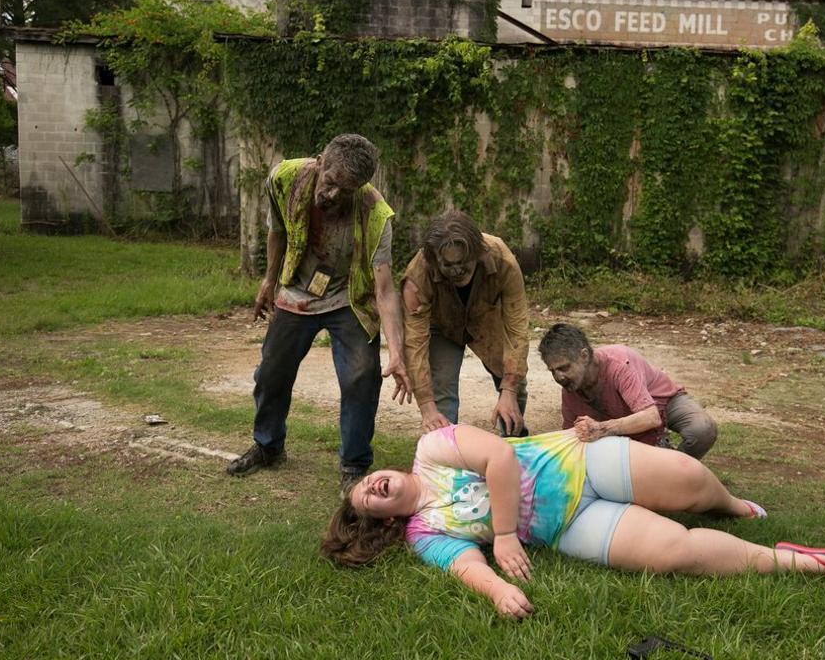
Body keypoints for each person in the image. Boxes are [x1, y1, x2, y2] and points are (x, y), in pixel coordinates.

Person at [321, 425, 825, 619]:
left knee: (690, 480)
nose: (372, 488)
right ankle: (794, 561)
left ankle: (730, 504)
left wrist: (503, 535)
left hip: (575, 460)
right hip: (569, 525)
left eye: (367, 482)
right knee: (674, 552)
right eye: (368, 502)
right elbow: (464, 564)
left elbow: (499, 460)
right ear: (386, 522)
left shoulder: (432, 450)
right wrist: (497, 592)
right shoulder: (423, 533)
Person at [227, 134, 411, 484]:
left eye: (346, 190)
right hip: (298, 289)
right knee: (272, 372)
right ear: (320, 160)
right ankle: (268, 446)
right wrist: (269, 280)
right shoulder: (284, 178)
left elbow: (385, 290)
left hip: (349, 298)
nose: (333, 195)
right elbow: (277, 230)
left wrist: (397, 353)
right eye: (330, 182)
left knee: (361, 376)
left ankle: (354, 466)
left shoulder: (376, 213)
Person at [401, 209, 529, 437]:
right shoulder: (418, 275)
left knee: (514, 388)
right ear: (434, 260)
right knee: (442, 391)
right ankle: (445, 452)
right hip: (441, 325)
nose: (457, 271)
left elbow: (517, 329)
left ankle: (514, 442)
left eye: (463, 263)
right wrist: (427, 406)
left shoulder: (503, 260)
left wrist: (509, 388)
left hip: (487, 320)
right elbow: (414, 342)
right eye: (447, 266)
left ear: (477, 252)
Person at [538, 323, 718, 459]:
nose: (558, 377)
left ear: (584, 356)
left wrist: (602, 429)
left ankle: (681, 470)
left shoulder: (618, 364)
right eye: (552, 371)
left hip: (663, 402)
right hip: (624, 417)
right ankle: (665, 462)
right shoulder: (570, 387)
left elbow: (650, 417)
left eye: (564, 368)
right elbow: (573, 437)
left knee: (702, 430)